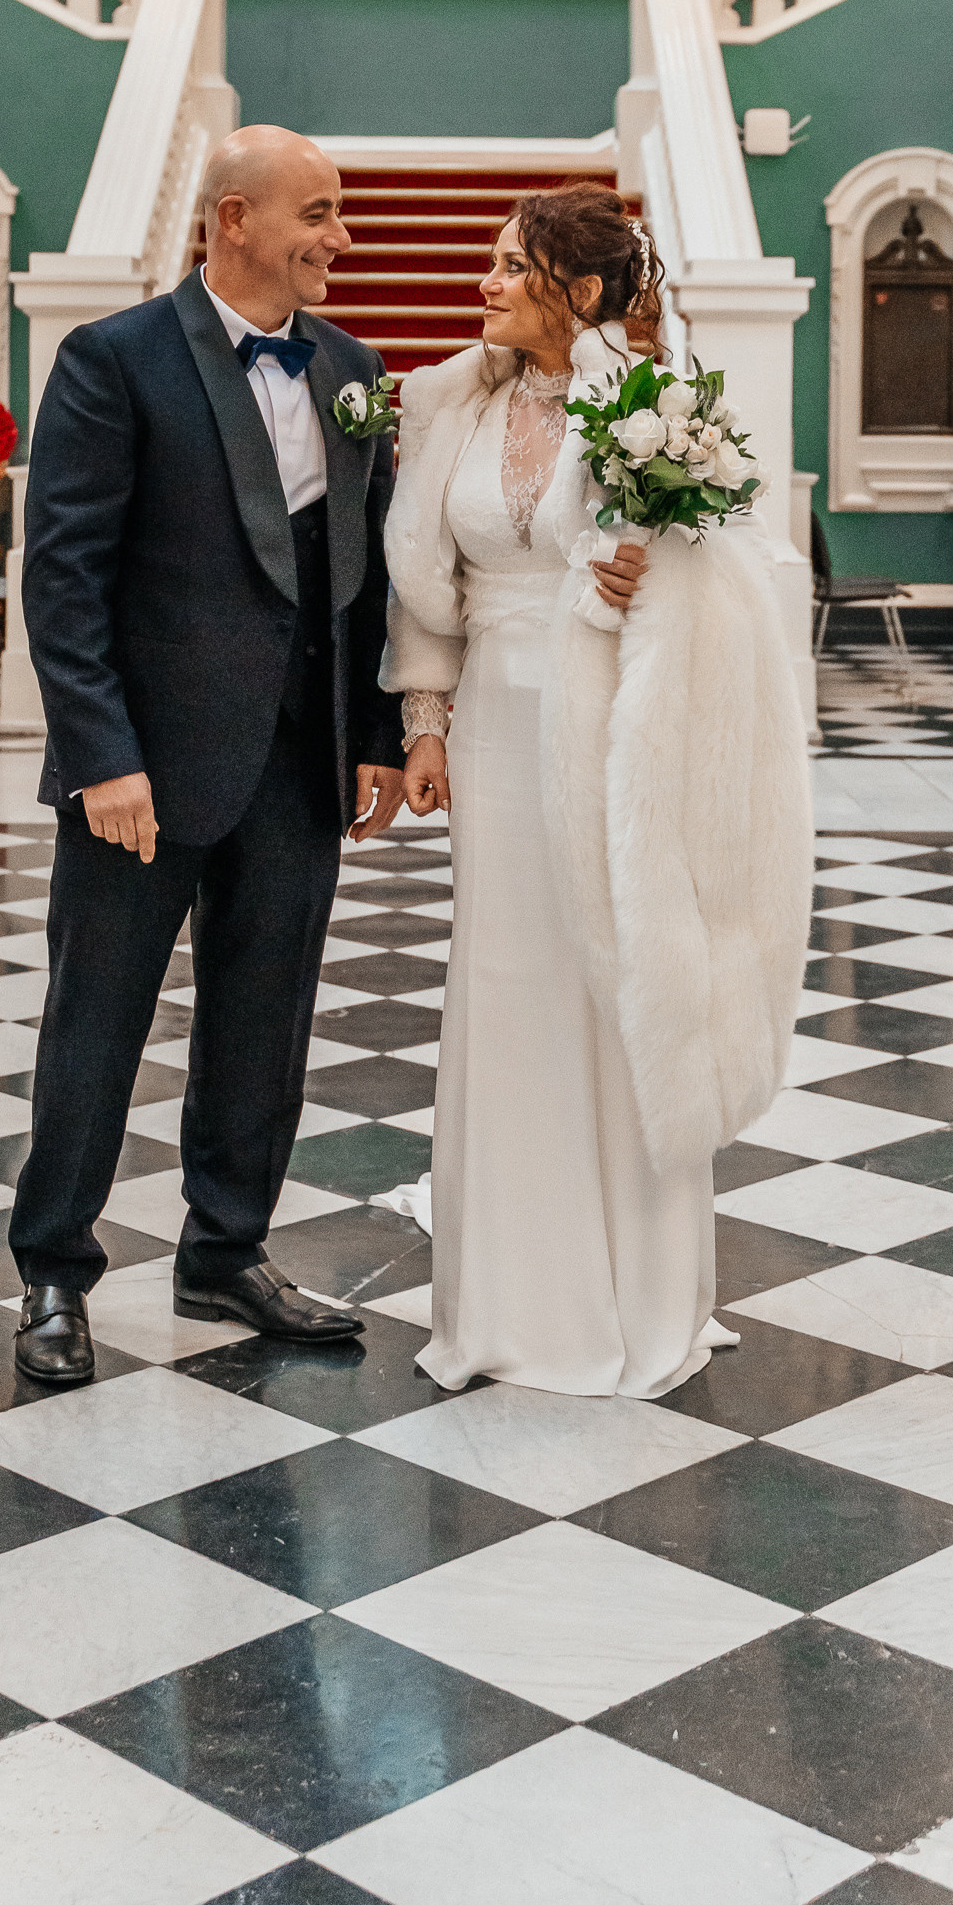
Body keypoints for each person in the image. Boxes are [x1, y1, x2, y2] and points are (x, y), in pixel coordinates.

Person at [386, 184, 813, 1398]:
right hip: (492, 729)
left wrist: (644, 579)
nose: (486, 283)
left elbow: (724, 574)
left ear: (577, 292)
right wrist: (424, 720)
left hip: (612, 723)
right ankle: (512, 1298)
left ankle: (636, 1292)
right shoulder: (455, 404)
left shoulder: (650, 408)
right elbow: (433, 586)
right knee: (505, 980)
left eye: (513, 268)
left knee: (615, 970)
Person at [8, 127, 407, 1386]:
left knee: (265, 1019)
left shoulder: (353, 368)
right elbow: (62, 576)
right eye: (319, 212)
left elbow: (369, 577)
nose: (339, 235)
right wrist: (99, 756)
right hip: (144, 770)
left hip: (301, 765)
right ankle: (55, 1271)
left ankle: (225, 1246)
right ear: (234, 216)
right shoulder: (113, 359)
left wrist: (382, 735)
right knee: (96, 1020)